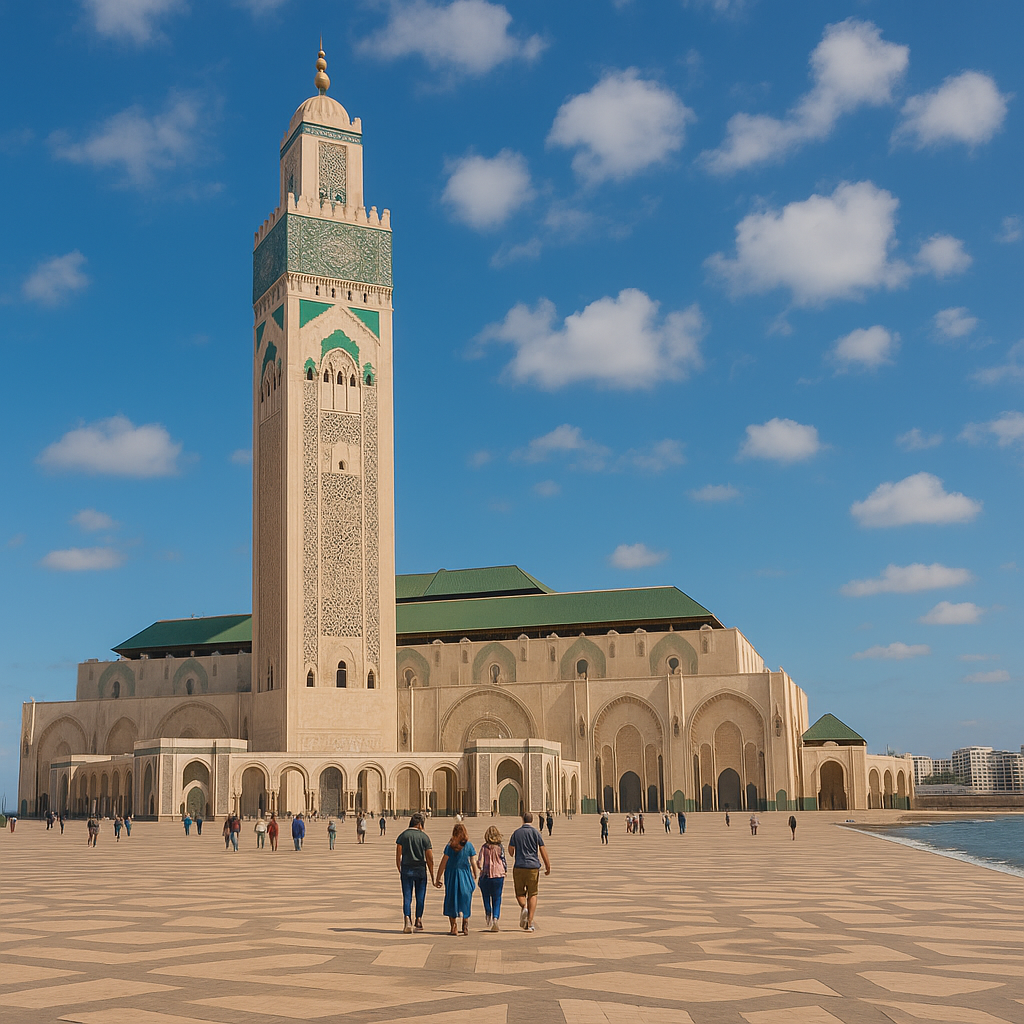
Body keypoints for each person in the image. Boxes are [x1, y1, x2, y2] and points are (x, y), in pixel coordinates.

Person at [508, 812, 550, 932]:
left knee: (520, 893)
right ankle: (530, 923)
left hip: (519, 866)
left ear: (522, 819)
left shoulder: (516, 833)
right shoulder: (536, 832)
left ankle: (524, 907)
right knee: (533, 894)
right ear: (532, 820)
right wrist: (548, 866)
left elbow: (510, 851)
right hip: (533, 867)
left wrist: (515, 852)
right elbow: (542, 850)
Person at [396, 811, 435, 933]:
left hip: (406, 869)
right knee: (420, 896)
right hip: (420, 870)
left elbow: (398, 855)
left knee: (407, 896)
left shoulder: (403, 835)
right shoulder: (424, 837)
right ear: (419, 824)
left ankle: (407, 919)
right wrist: (433, 875)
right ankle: (418, 919)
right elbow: (429, 858)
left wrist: (400, 869)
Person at [435, 823, 477, 935]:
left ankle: (454, 927)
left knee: (451, 899)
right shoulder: (469, 845)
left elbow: (443, 863)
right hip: (465, 874)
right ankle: (465, 923)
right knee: (466, 898)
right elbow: (473, 861)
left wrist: (437, 878)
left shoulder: (449, 847)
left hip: (452, 875)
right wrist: (475, 873)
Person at [476, 825, 507, 932]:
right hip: (498, 875)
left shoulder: (484, 847)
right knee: (497, 897)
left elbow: (479, 863)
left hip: (486, 875)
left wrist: (481, 867)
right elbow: (503, 860)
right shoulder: (500, 847)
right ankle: (495, 918)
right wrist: (505, 870)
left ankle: (488, 912)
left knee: (486, 896)